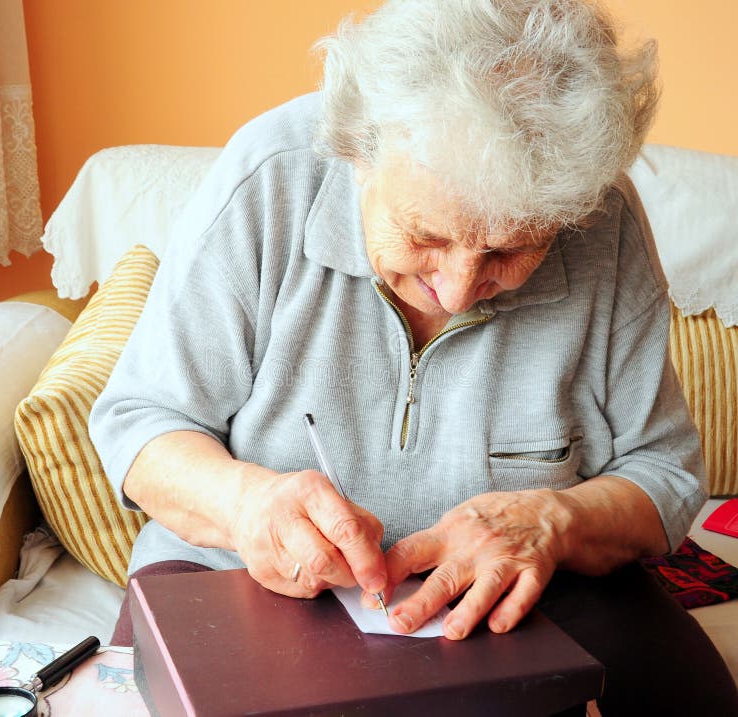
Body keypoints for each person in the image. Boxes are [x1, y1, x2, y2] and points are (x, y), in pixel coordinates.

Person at [90, 0, 738, 713]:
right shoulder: (271, 177)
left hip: (517, 583)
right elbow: (139, 420)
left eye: (509, 248)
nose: (459, 289)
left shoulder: (601, 218)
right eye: (426, 234)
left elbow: (665, 473)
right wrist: (248, 505)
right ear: (360, 155)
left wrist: (552, 521)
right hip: (238, 571)